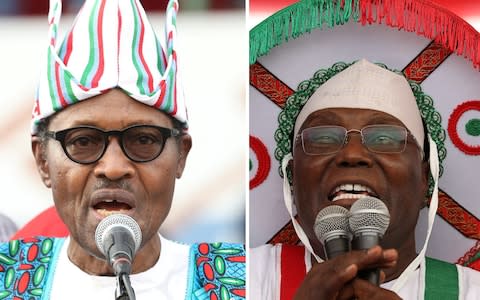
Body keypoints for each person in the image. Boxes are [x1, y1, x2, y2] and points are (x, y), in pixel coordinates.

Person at [0, 0, 245, 299]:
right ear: (42, 161)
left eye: (143, 140)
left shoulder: (246, 282)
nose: (114, 167)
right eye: (83, 141)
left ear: (181, 155)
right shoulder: (6, 277)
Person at [250, 58, 480, 299]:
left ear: (425, 180)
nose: (352, 153)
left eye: (384, 139)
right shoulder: (235, 277)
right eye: (324, 138)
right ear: (292, 178)